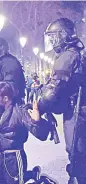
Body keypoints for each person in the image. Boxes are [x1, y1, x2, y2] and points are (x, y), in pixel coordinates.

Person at [38, 18, 86, 183]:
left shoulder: (67, 56)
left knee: (77, 157)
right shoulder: (79, 52)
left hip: (77, 113)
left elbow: (53, 92)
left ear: (63, 35)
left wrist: (39, 106)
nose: (51, 41)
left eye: (53, 37)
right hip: (80, 111)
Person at [0, 82, 50, 184]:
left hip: (15, 158)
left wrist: (36, 121)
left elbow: (41, 134)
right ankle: (32, 175)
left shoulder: (20, 112)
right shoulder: (0, 113)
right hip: (1, 158)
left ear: (5, 98)